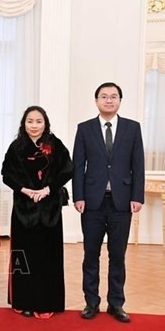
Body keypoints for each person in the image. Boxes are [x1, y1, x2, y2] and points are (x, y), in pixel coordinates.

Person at [72, 82, 145, 323]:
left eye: (114, 97)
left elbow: (138, 165)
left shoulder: (132, 128)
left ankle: (116, 303)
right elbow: (78, 166)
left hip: (121, 203)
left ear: (120, 101)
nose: (109, 100)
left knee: (118, 255)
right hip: (92, 202)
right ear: (96, 101)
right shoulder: (85, 129)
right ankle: (91, 302)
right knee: (90, 254)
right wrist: (78, 196)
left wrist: (137, 196)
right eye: (104, 96)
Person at [1, 106, 73, 319]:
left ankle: (46, 303)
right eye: (30, 121)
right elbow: (6, 174)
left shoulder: (55, 145)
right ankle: (24, 301)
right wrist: (26, 190)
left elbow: (67, 170)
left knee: (48, 258)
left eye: (38, 121)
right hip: (24, 210)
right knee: (24, 259)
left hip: (50, 209)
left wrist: (47, 190)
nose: (34, 125)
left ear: (45, 123)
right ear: (24, 123)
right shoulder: (16, 147)